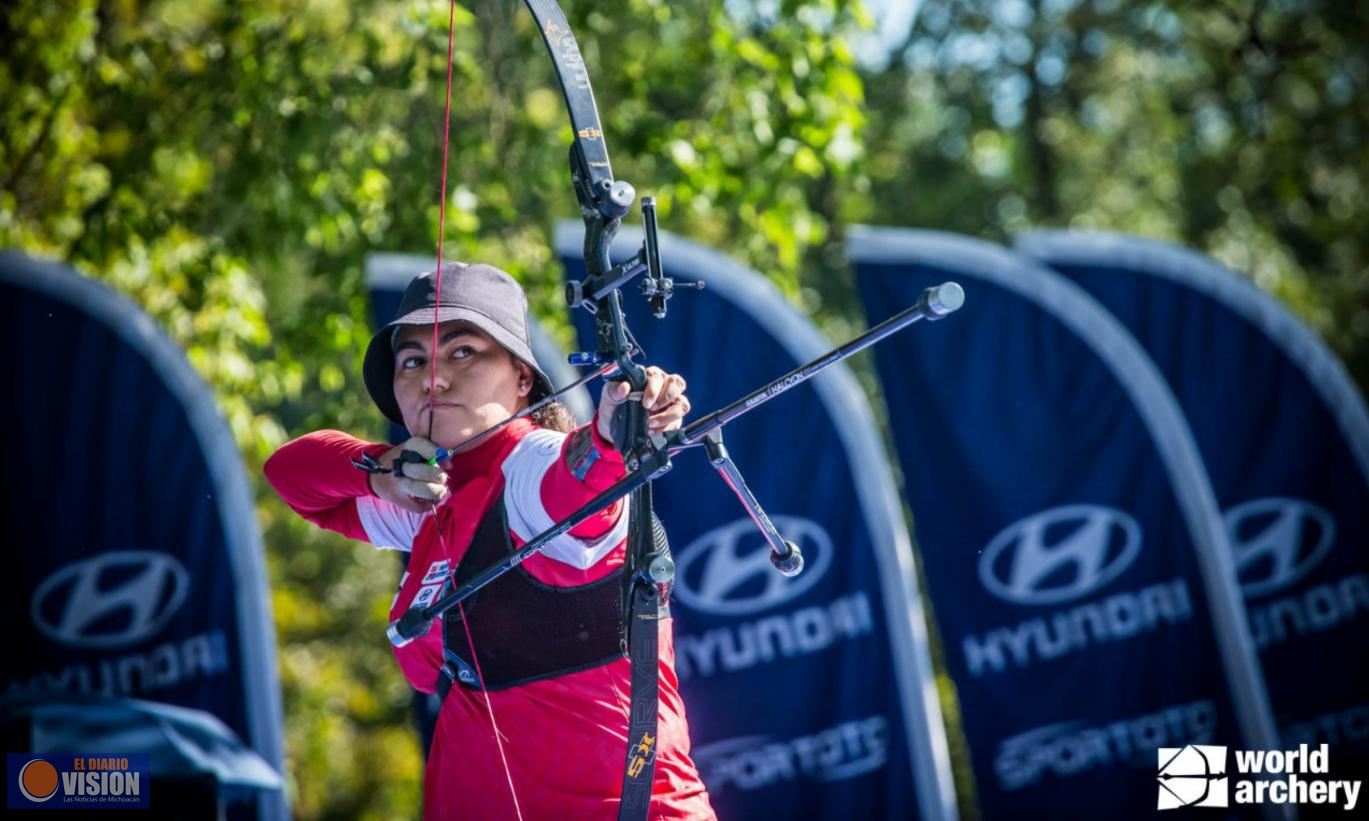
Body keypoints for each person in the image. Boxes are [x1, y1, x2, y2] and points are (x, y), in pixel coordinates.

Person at [264, 262, 716, 819]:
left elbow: (578, 480)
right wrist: (382, 470)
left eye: (462, 352)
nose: (434, 378)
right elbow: (291, 474)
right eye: (413, 362)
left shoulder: (530, 469)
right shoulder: (427, 502)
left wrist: (612, 431)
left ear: (523, 377)